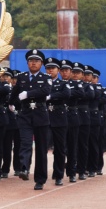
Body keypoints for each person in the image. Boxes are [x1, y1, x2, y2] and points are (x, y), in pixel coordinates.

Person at [11, 49, 51, 190]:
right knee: (25, 143)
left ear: (41, 63)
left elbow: (45, 91)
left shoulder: (46, 78)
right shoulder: (22, 77)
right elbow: (15, 93)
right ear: (27, 63)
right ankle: (24, 168)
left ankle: (40, 179)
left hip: (40, 113)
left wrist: (28, 94)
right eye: (31, 61)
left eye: (36, 61)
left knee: (41, 149)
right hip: (25, 114)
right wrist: (11, 104)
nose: (33, 63)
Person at [44, 57, 72, 186]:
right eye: (48, 68)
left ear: (58, 70)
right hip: (44, 118)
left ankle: (59, 174)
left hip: (59, 118)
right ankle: (42, 174)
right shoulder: (41, 82)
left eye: (52, 68)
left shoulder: (63, 84)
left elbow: (66, 94)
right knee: (42, 148)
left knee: (60, 149)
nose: (50, 71)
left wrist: (51, 96)